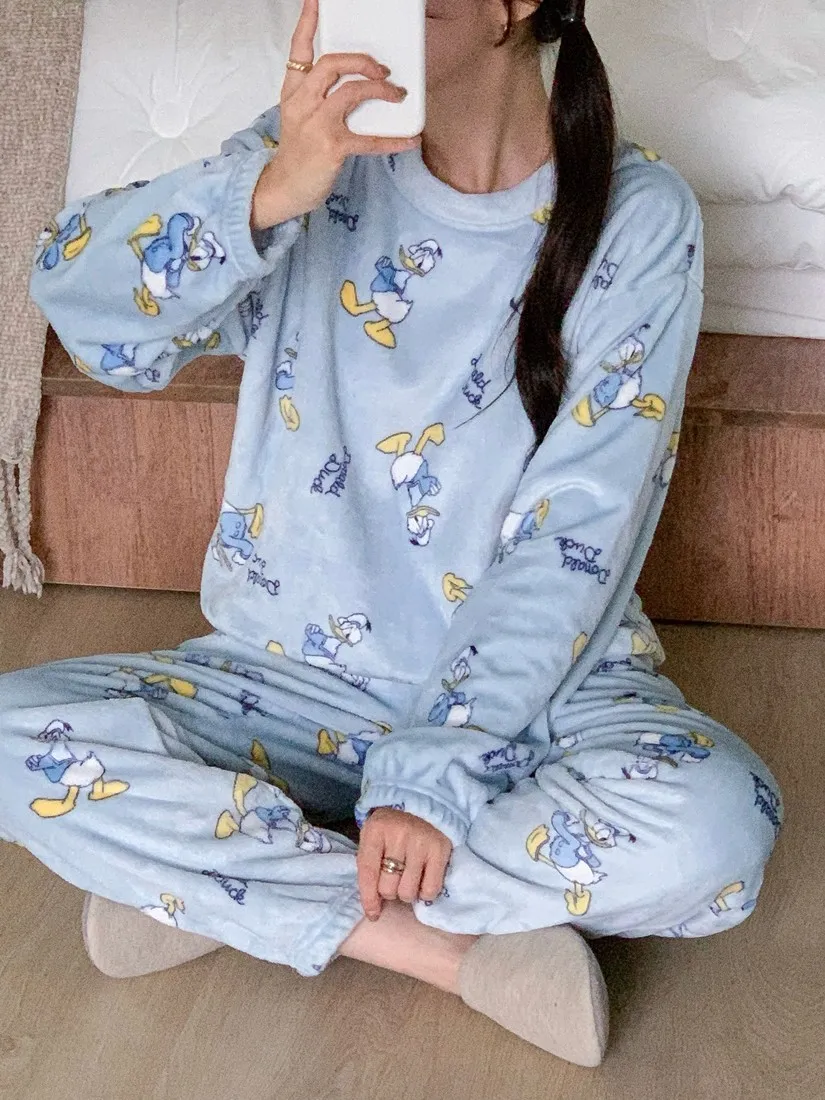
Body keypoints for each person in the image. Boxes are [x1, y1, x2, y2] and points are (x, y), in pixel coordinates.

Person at [3, 0, 783, 1067]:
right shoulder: (308, 161)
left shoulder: (637, 216)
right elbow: (77, 302)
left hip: (539, 699)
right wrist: (270, 189)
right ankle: (430, 947)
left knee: (719, 828)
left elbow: (578, 532)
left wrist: (434, 771)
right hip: (285, 679)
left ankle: (216, 872)